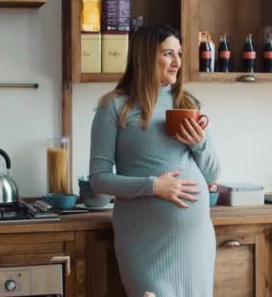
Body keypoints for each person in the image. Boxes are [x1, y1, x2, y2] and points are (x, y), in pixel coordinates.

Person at [89, 22, 221, 296]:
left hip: (195, 243)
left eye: (179, 54)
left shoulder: (188, 104)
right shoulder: (114, 106)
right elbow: (98, 178)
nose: (177, 63)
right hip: (144, 244)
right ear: (145, 56)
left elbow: (212, 174)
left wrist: (200, 143)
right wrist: (153, 186)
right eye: (168, 54)